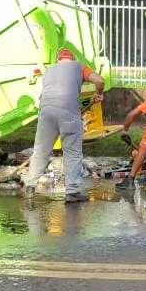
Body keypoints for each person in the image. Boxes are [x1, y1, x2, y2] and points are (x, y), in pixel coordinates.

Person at [24, 48, 105, 202]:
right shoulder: (80, 66)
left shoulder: (48, 71)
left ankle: (29, 186)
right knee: (73, 152)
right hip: (68, 111)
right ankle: (72, 191)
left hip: (46, 110)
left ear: (58, 60)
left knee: (41, 150)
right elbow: (99, 81)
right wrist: (99, 93)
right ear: (72, 59)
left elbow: (55, 96)